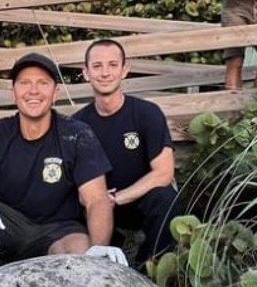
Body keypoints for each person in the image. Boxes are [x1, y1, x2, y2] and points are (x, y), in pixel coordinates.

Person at [0, 52, 126, 280]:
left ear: (55, 93)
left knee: (82, 252)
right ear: (13, 92)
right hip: (5, 225)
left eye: (43, 83)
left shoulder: (77, 134)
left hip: (57, 230)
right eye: (25, 83)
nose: (33, 91)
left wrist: (98, 246)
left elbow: (96, 199)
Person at [74, 38, 183, 266]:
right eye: (97, 66)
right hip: (96, 206)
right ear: (86, 73)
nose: (105, 73)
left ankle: (149, 269)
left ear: (125, 70)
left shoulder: (147, 113)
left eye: (113, 65)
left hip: (139, 199)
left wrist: (115, 198)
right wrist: (97, 201)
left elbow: (164, 173)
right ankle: (98, 263)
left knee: (166, 199)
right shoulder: (77, 125)